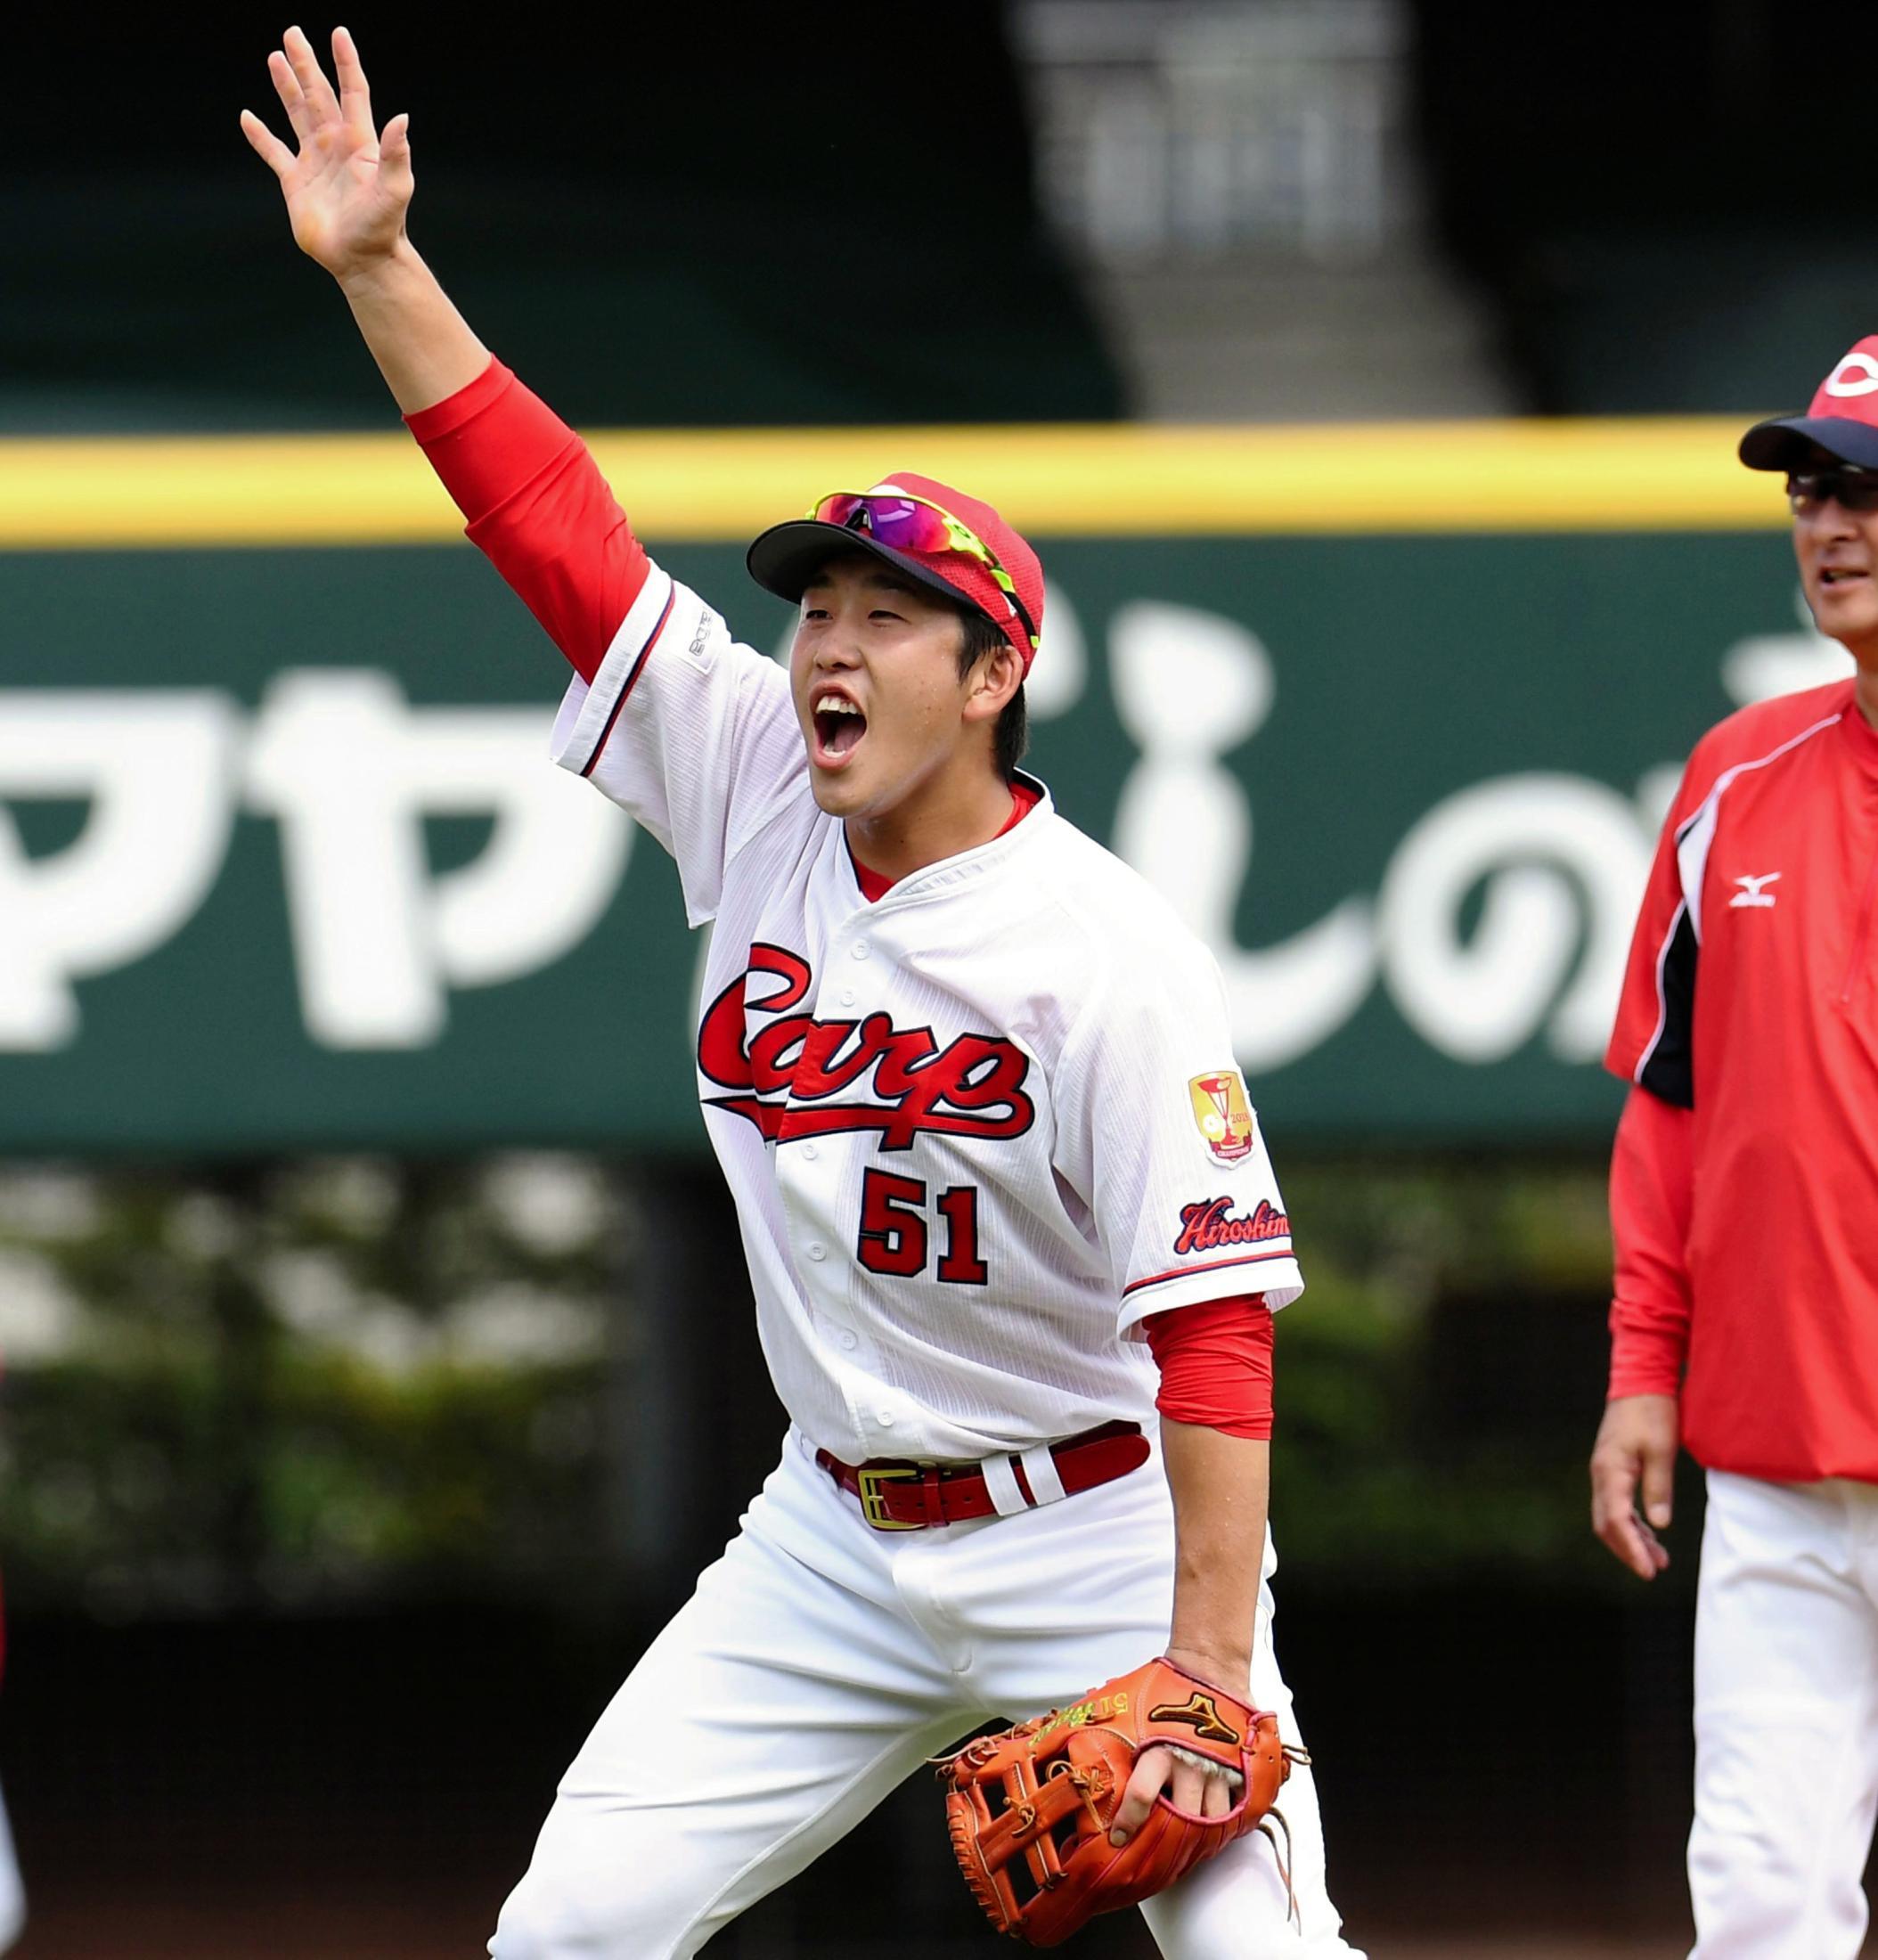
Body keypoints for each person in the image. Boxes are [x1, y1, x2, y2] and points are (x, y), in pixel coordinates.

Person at [243, 28, 1362, 1958]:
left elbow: (1214, 1335)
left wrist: (1201, 1663)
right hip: (832, 1533)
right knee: (571, 1927)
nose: (824, 646)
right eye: (811, 607)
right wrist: (376, 270)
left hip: (1096, 1529)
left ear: (990, 671)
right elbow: (556, 533)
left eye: (882, 614)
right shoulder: (759, 773)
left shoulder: (1100, 950)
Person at [1591, 332, 1878, 1958]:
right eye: (1811, 492)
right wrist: (1645, 1366)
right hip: (1771, 1468)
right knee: (1765, 1917)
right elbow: (1672, 1101)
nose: (1829, 526)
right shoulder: (1734, 778)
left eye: (1868, 493)